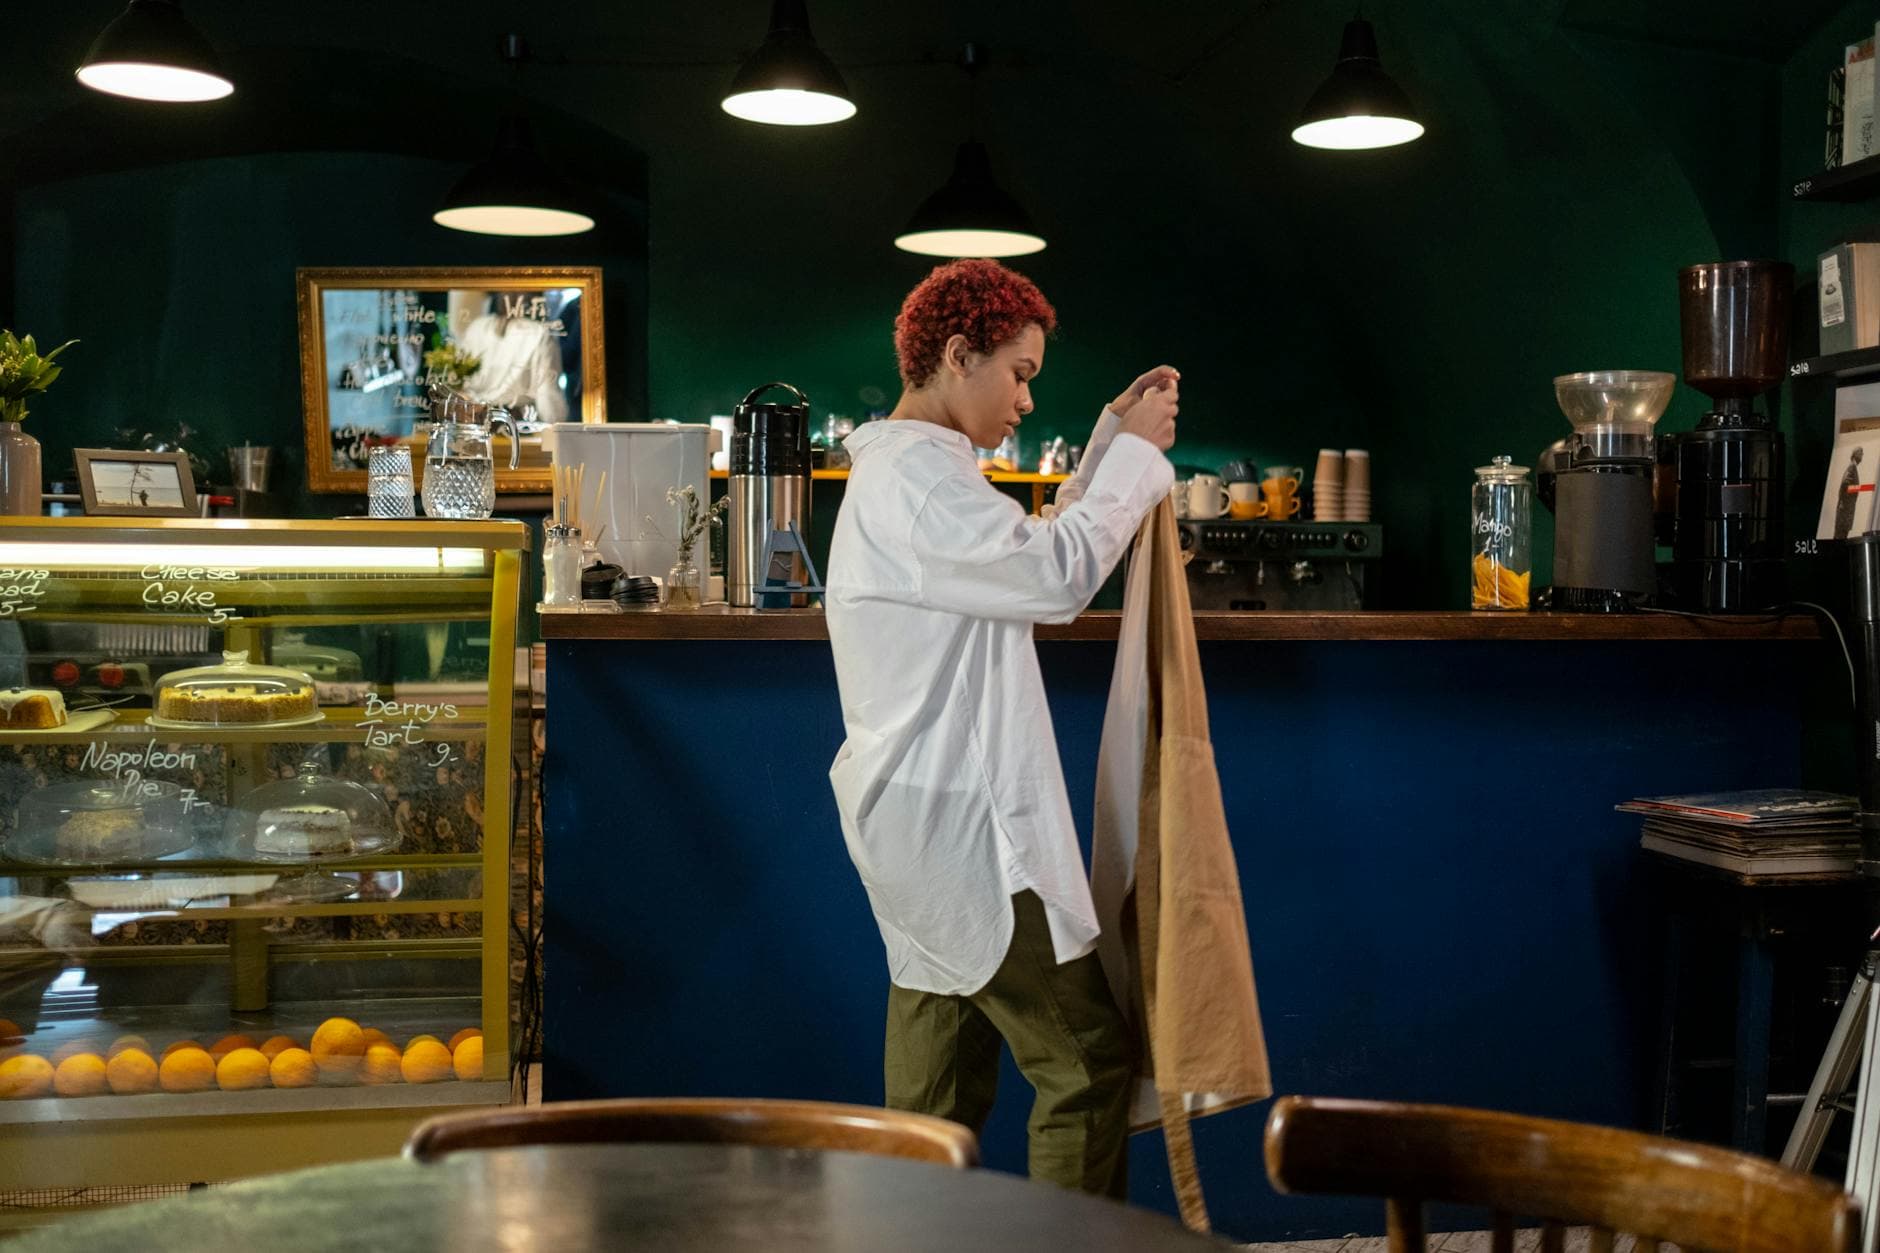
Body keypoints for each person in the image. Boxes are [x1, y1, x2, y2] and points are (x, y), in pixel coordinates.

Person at [825, 258, 1178, 1196]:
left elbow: (1027, 550)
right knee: (1088, 1065)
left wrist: (1107, 441)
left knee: (936, 1092)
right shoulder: (923, 488)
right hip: (965, 831)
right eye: (1019, 373)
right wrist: (1138, 463)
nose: (1027, 399)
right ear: (955, 356)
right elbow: (1057, 577)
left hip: (913, 820)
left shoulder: (920, 479)